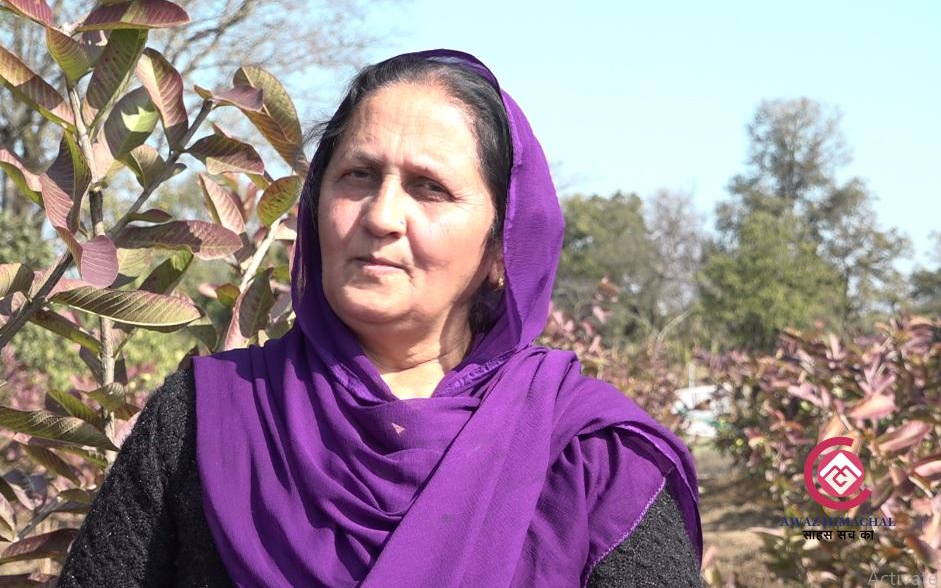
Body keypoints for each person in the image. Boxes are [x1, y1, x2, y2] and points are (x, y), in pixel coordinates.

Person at [57, 49, 703, 587]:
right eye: (359, 175)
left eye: (429, 187)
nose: (381, 215)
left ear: (500, 250)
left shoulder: (588, 455)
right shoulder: (207, 418)